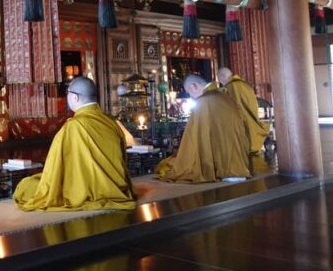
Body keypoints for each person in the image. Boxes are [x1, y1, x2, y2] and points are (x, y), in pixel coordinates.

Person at [14, 77, 135, 212]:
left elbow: (54, 167)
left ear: (75, 98)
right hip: (116, 187)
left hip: (83, 188)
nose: (67, 97)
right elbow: (122, 158)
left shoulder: (74, 126)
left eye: (68, 93)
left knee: (25, 187)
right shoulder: (111, 122)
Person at [156, 74, 251, 183]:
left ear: (194, 86)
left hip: (221, 168)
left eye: (189, 93)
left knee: (169, 165)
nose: (191, 97)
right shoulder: (226, 95)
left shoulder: (204, 101)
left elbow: (193, 137)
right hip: (240, 162)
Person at [217, 67, 270, 154]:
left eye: (220, 80)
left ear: (222, 76)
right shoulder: (245, 85)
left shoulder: (231, 87)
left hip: (242, 130)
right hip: (252, 125)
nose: (221, 83)